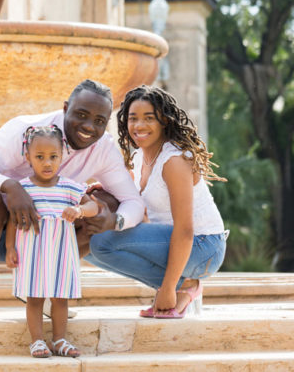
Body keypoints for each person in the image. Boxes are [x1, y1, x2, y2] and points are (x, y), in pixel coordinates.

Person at [0, 79, 145, 323]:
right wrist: (10, 187)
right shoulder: (27, 129)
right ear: (65, 108)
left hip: (40, 239)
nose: (88, 126)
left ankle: (41, 287)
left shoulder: (104, 149)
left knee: (108, 205)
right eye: (81, 115)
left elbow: (133, 202)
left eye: (99, 121)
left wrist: (114, 221)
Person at [85, 85, 228, 319]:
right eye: (133, 119)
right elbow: (135, 208)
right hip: (177, 240)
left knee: (102, 240)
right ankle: (185, 286)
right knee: (87, 239)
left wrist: (168, 288)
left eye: (148, 118)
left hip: (204, 246)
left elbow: (185, 229)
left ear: (164, 121)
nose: (139, 126)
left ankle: (181, 287)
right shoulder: (141, 157)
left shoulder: (174, 161)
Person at [5, 125, 101, 358]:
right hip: (32, 252)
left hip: (61, 252)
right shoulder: (24, 189)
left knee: (60, 298)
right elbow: (12, 221)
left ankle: (59, 340)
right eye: (40, 157)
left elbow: (93, 206)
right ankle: (37, 341)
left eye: (53, 157)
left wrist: (78, 210)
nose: (47, 163)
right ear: (27, 156)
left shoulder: (69, 186)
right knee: (35, 298)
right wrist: (9, 248)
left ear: (62, 156)